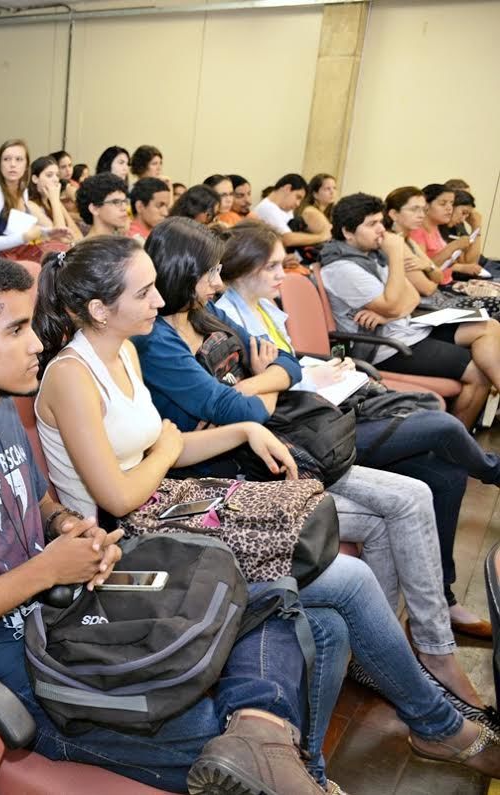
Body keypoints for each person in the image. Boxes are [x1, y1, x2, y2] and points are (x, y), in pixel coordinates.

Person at [31, 236, 500, 787]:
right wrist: (165, 447)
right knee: (345, 580)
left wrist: (246, 428)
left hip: (162, 511)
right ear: (98, 310)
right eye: (145, 292)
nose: (160, 301)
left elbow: (172, 445)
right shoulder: (70, 374)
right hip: (124, 551)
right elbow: (117, 495)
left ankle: (309, 772)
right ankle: (439, 726)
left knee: (325, 623)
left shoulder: (125, 350)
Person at [0, 253, 327, 794]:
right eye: (17, 330)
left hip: (67, 611)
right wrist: (45, 572)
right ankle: (274, 752)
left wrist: (70, 525)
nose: (37, 343)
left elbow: (36, 498)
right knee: (230, 724)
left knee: (279, 603)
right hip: (28, 674)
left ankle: (263, 743)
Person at [134, 216, 490, 712]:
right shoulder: (156, 341)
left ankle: (423, 649)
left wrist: (253, 386)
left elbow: (286, 363)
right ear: (181, 273)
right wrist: (257, 388)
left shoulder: (205, 316)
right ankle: (419, 656)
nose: (219, 282)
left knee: (416, 493)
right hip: (225, 474)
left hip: (268, 451)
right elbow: (238, 409)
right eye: (210, 273)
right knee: (407, 497)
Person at [217, 219, 500, 637]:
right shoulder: (227, 321)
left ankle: (444, 600)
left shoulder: (263, 308)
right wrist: (297, 376)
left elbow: (288, 367)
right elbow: (253, 397)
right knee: (441, 427)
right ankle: (493, 472)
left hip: (323, 413)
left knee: (446, 471)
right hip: (304, 438)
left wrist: (320, 369)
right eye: (273, 266)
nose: (285, 272)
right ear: (243, 269)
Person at [320, 193, 500, 427]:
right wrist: (395, 256)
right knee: (478, 371)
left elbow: (412, 296)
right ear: (347, 232)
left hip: (406, 329)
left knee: (488, 326)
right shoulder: (343, 268)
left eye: (380, 223)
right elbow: (397, 302)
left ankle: (458, 439)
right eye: (372, 224)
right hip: (385, 347)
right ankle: (454, 442)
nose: (381, 231)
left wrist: (388, 311)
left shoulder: (369, 256)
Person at [0, 139, 73, 259]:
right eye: (6, 159)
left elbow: (22, 230)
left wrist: (48, 233)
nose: (12, 164)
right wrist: (24, 237)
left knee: (63, 254)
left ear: (26, 166)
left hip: (19, 255)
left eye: (19, 159)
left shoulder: (23, 190)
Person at [412, 183, 485, 277]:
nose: (449, 208)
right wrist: (453, 246)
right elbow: (425, 270)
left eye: (451, 203)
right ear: (426, 205)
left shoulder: (435, 228)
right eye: (443, 203)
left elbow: (464, 263)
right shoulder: (418, 231)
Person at [252, 174, 330, 248]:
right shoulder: (267, 208)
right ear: (287, 188)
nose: (298, 204)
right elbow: (288, 239)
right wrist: (322, 236)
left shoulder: (286, 210)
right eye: (298, 197)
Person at [29, 154, 81, 243]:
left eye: (57, 175)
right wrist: (55, 201)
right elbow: (61, 239)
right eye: (49, 175)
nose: (55, 179)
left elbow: (79, 236)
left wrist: (56, 202)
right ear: (35, 179)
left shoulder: (53, 201)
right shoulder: (31, 205)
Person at [77, 173, 130, 239]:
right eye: (116, 202)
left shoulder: (122, 243)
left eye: (125, 201)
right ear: (94, 209)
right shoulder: (86, 248)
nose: (124, 208)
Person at [126, 176, 171, 245]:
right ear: (140, 206)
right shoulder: (132, 242)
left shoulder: (158, 235)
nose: (165, 213)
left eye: (166, 206)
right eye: (159, 206)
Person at [297, 173, 337, 240]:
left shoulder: (331, 211)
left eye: (334, 188)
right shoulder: (310, 211)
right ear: (315, 194)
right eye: (327, 189)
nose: (332, 192)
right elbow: (331, 237)